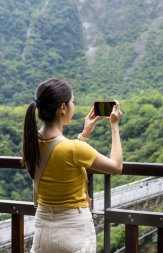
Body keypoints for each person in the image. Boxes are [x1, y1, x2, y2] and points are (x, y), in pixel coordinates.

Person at [21, 78, 123, 253]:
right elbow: (116, 166)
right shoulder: (74, 149)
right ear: (62, 108)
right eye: (72, 102)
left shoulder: (31, 142)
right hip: (73, 229)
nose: (73, 106)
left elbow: (60, 155)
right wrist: (114, 125)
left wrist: (84, 135)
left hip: (43, 230)